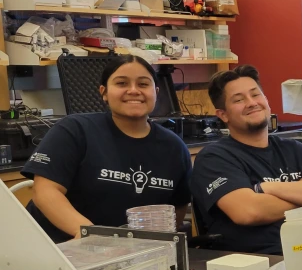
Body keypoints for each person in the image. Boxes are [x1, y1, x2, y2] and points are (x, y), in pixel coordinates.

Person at [22, 55, 192, 242]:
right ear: (104, 92)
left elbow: (176, 209)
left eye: (143, 84)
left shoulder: (174, 147)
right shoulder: (75, 130)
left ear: (156, 92)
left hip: (132, 255)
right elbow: (45, 191)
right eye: (121, 83)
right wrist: (90, 235)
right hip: (60, 250)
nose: (133, 91)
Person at [191, 65, 302, 254]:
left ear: (266, 101)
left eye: (256, 94)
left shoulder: (295, 149)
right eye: (239, 99)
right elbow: (249, 211)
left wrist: (267, 189)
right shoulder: (214, 158)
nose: (251, 103)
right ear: (223, 115)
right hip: (256, 261)